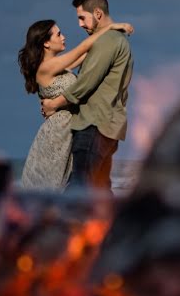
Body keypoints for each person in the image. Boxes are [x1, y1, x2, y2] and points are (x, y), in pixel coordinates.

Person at [18, 17, 133, 190]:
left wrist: (112, 39)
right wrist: (111, 27)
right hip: (56, 136)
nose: (63, 37)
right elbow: (83, 48)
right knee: (52, 187)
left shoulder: (60, 67)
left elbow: (91, 53)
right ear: (46, 44)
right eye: (58, 34)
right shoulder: (46, 68)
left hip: (69, 130)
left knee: (76, 182)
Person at [40, 0, 133, 192]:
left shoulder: (107, 41)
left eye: (82, 18)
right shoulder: (115, 40)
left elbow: (86, 83)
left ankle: (64, 224)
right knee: (99, 191)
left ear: (98, 14)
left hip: (94, 124)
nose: (80, 24)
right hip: (109, 126)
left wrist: (53, 104)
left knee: (78, 190)